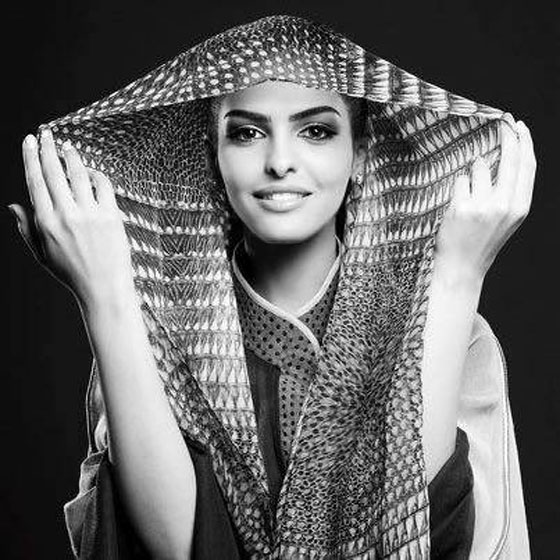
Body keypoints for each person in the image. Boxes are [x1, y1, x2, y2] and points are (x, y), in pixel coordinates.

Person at [9, 15, 533, 559]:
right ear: (213, 155)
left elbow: (430, 537)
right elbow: (177, 551)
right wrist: (107, 298)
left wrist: (458, 278)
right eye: (247, 133)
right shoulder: (147, 341)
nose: (280, 162)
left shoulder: (454, 331)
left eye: (316, 131)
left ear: (359, 154)